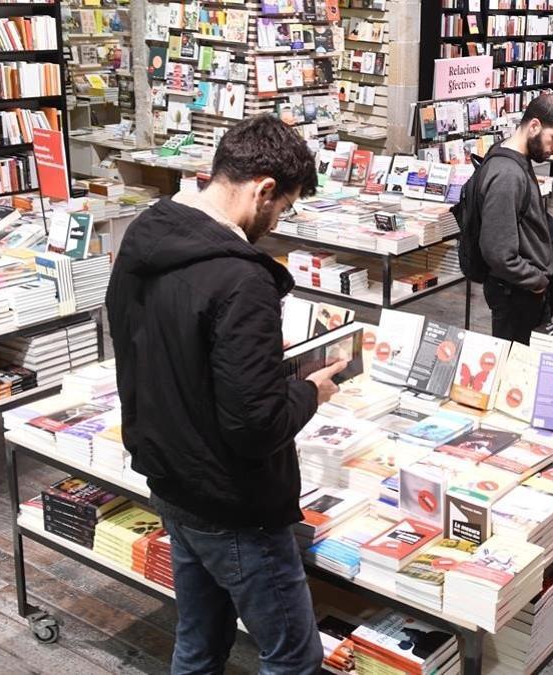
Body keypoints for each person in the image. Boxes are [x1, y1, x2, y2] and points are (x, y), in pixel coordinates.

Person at [106, 114, 347, 674]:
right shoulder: (241, 279)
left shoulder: (145, 236)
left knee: (199, 637)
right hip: (231, 502)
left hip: (170, 477)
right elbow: (255, 424)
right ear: (263, 189)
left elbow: (145, 349)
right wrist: (310, 390)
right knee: (292, 653)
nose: (277, 220)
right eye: (282, 207)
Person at [477, 93, 553, 343]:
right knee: (515, 370)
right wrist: (536, 281)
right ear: (534, 126)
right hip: (516, 295)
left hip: (523, 292)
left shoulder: (517, 160)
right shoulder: (507, 175)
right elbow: (498, 250)